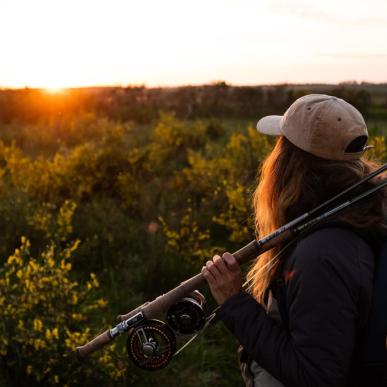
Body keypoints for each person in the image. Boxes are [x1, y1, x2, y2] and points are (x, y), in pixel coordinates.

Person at [201, 94, 387, 387]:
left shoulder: (321, 256)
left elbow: (317, 376)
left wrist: (236, 304)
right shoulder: (364, 211)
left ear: (290, 161)